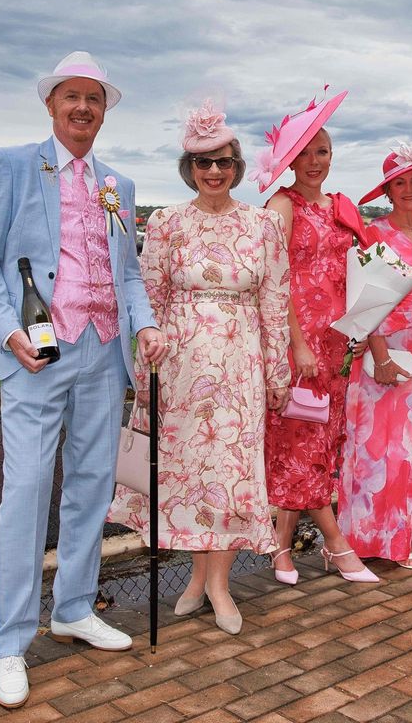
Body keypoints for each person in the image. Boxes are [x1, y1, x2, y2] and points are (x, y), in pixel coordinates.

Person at [0, 51, 165, 709]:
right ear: (51, 103)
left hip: (102, 354)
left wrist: (146, 326)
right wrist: (9, 331)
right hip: (35, 355)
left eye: (95, 98)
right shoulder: (15, 163)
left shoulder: (118, 187)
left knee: (91, 488)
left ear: (105, 111)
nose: (84, 107)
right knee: (24, 491)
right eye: (72, 95)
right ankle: (10, 640)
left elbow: (129, 275)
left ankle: (75, 607)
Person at [107, 99, 289, 633]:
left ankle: (219, 583)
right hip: (182, 368)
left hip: (240, 368)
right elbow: (150, 296)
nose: (214, 171)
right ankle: (194, 577)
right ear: (189, 169)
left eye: (224, 162)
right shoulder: (167, 223)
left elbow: (276, 301)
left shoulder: (261, 226)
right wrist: (146, 369)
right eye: (203, 162)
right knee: (188, 477)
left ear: (236, 166)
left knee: (232, 476)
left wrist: (277, 373)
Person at [254, 90, 377, 584]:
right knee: (300, 438)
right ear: (288, 160)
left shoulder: (341, 208)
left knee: (314, 440)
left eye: (321, 151)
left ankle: (280, 549)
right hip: (299, 341)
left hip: (338, 340)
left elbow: (362, 272)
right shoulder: (281, 205)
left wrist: (362, 327)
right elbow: (273, 277)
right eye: (303, 152)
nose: (314, 162)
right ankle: (336, 545)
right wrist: (297, 342)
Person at [338, 144, 412, 569]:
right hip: (382, 349)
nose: (408, 189)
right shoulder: (373, 234)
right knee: (374, 447)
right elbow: (363, 299)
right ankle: (361, 538)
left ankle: (401, 533)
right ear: (388, 190)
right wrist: (381, 354)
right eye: (399, 183)